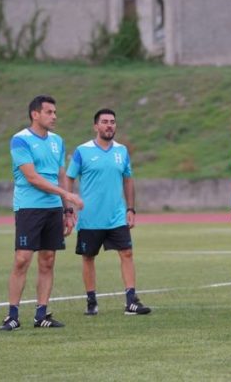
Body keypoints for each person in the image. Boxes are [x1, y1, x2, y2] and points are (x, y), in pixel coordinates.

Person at [0, 95, 84, 331]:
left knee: (48, 261)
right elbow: (32, 177)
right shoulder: (20, 140)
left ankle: (42, 314)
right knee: (22, 260)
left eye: (55, 112)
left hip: (53, 209)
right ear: (35, 114)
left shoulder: (57, 141)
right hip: (29, 207)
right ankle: (12, 315)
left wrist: (67, 210)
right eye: (49, 112)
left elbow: (60, 175)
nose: (54, 116)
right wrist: (67, 196)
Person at [65, 108, 151, 316]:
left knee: (127, 253)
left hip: (116, 215)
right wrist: (68, 207)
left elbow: (128, 179)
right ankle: (91, 301)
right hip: (90, 217)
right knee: (88, 257)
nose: (109, 125)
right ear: (96, 126)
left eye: (112, 122)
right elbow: (69, 178)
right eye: (104, 122)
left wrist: (130, 208)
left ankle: (131, 300)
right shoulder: (82, 151)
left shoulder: (122, 151)